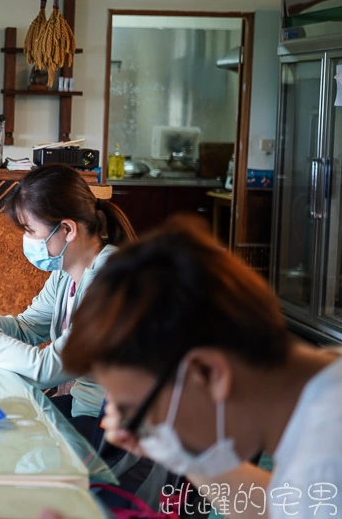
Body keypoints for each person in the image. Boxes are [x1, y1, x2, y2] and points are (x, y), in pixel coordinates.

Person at [61, 219, 342, 519]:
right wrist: (192, 460)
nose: (123, 433)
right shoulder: (322, 388)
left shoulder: (327, 457)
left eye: (141, 415)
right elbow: (283, 504)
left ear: (208, 372)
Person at [0, 164, 135, 432]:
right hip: (82, 407)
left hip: (112, 429)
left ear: (68, 229)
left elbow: (46, 369)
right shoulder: (66, 273)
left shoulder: (112, 282)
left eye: (31, 231)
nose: (26, 240)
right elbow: (27, 328)